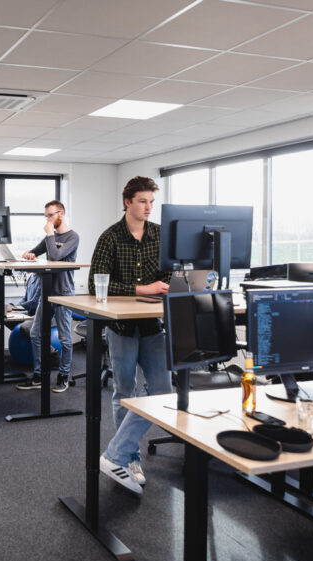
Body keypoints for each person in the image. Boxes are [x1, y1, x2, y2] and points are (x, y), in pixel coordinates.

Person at [89, 176, 172, 494]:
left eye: (152, 201)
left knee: (163, 394)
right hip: (121, 328)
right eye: (142, 201)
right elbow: (96, 285)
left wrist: (168, 283)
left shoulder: (161, 235)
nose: (148, 207)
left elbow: (167, 274)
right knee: (125, 392)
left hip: (153, 326)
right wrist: (141, 289)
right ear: (128, 202)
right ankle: (129, 458)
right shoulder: (110, 237)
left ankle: (116, 454)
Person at [15, 200, 80, 394]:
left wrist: (50, 233)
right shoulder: (49, 237)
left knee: (65, 338)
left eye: (51, 215)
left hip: (63, 294)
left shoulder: (73, 237)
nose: (48, 220)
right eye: (46, 216)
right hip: (47, 292)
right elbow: (38, 250)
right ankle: (39, 375)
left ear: (61, 213)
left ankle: (64, 375)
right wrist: (29, 254)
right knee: (35, 333)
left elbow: (56, 255)